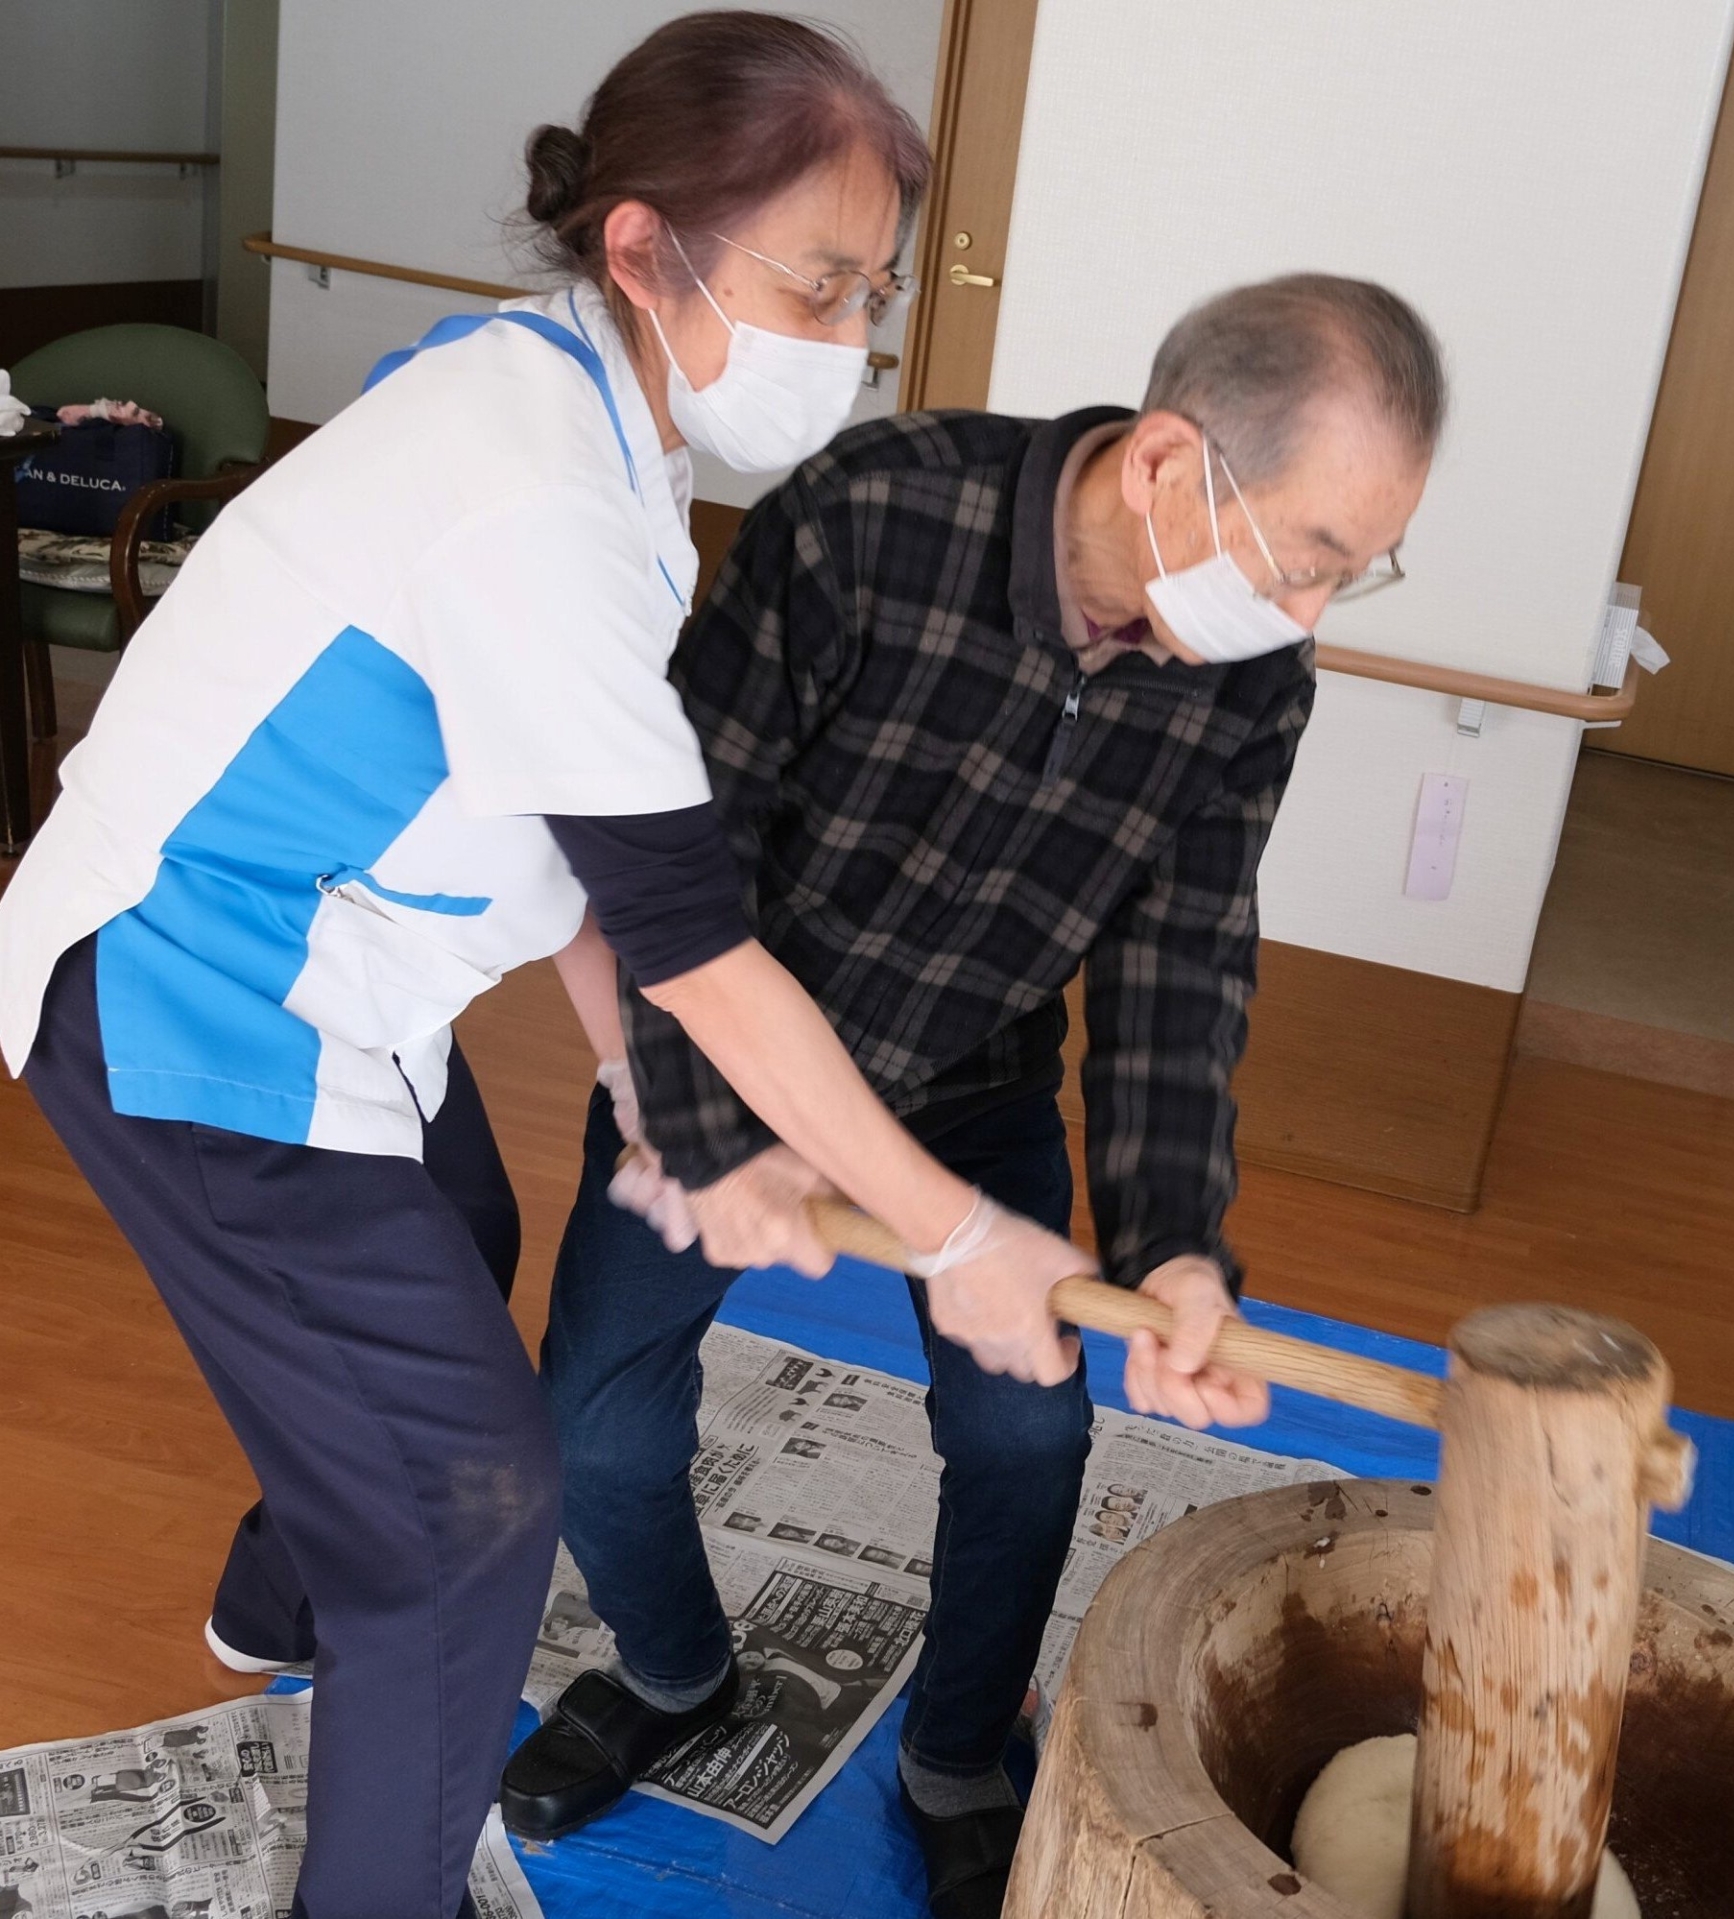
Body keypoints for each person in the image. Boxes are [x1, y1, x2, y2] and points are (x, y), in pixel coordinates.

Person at [0, 16, 1099, 1916]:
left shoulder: (598, 417)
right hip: (194, 1002)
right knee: (467, 1516)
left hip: (336, 982)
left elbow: (596, 865)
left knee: (468, 1243)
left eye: (871, 290)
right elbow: (697, 938)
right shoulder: (532, 487)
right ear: (643, 244)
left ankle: (275, 1592)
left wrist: (640, 1098)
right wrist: (951, 1231)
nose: (849, 330)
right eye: (816, 282)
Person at [504, 273, 1444, 1916]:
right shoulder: (872, 519)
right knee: (594, 1410)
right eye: (1309, 553)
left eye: (1356, 570)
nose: (1312, 606)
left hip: (975, 1083)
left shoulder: (1252, 679)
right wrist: (727, 1130)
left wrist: (1175, 1248)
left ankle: (955, 1748)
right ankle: (670, 1675)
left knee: (1028, 1421)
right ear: (1168, 460)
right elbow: (678, 868)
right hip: (721, 1063)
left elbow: (1179, 958)